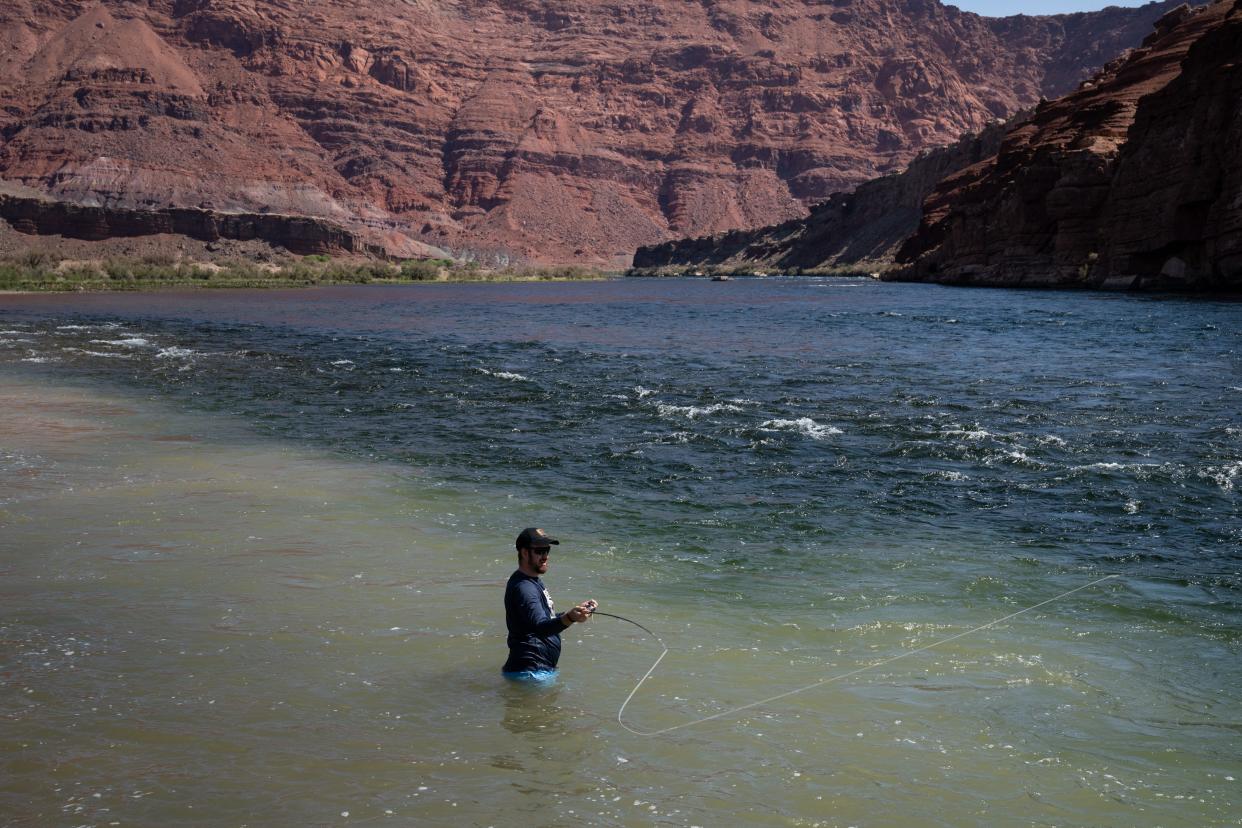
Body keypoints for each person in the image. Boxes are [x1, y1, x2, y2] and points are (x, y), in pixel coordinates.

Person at [502, 527, 596, 682]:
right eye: (539, 551)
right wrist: (570, 618)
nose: (545, 556)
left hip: (534, 671)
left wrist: (574, 614)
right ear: (525, 553)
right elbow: (540, 627)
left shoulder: (531, 581)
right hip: (531, 673)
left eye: (547, 550)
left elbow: (543, 619)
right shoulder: (525, 588)